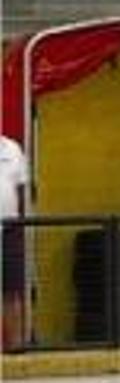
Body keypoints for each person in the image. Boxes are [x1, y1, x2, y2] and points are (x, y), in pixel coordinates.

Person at [1, 135, 27, 352]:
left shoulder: (13, 149)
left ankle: (15, 347)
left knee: (12, 289)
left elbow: (20, 190)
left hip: (9, 230)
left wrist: (19, 222)